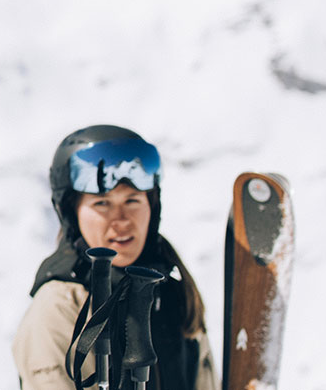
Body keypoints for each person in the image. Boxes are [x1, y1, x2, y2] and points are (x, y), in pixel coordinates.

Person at [12, 126, 215, 390]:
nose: (121, 220)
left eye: (132, 201)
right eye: (102, 204)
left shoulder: (174, 293)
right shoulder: (59, 307)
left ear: (152, 208)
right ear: (71, 213)